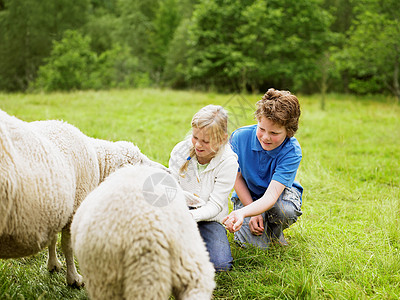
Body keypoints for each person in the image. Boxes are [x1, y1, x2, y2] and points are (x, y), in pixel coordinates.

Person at [223, 88, 303, 249]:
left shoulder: (292, 151)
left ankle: (275, 231)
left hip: (277, 196)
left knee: (284, 211)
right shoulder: (239, 137)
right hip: (247, 194)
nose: (265, 137)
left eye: (274, 132)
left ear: (288, 132)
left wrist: (244, 213)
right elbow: (236, 177)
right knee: (255, 247)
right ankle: (262, 229)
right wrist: (250, 210)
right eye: (261, 129)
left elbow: (272, 195)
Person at [169, 105, 238, 271]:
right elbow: (171, 187)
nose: (198, 145)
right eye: (195, 137)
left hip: (209, 219)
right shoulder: (181, 150)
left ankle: (195, 244)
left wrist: (191, 216)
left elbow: (215, 206)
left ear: (222, 139)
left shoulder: (228, 161)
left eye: (206, 141)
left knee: (220, 265)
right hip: (179, 212)